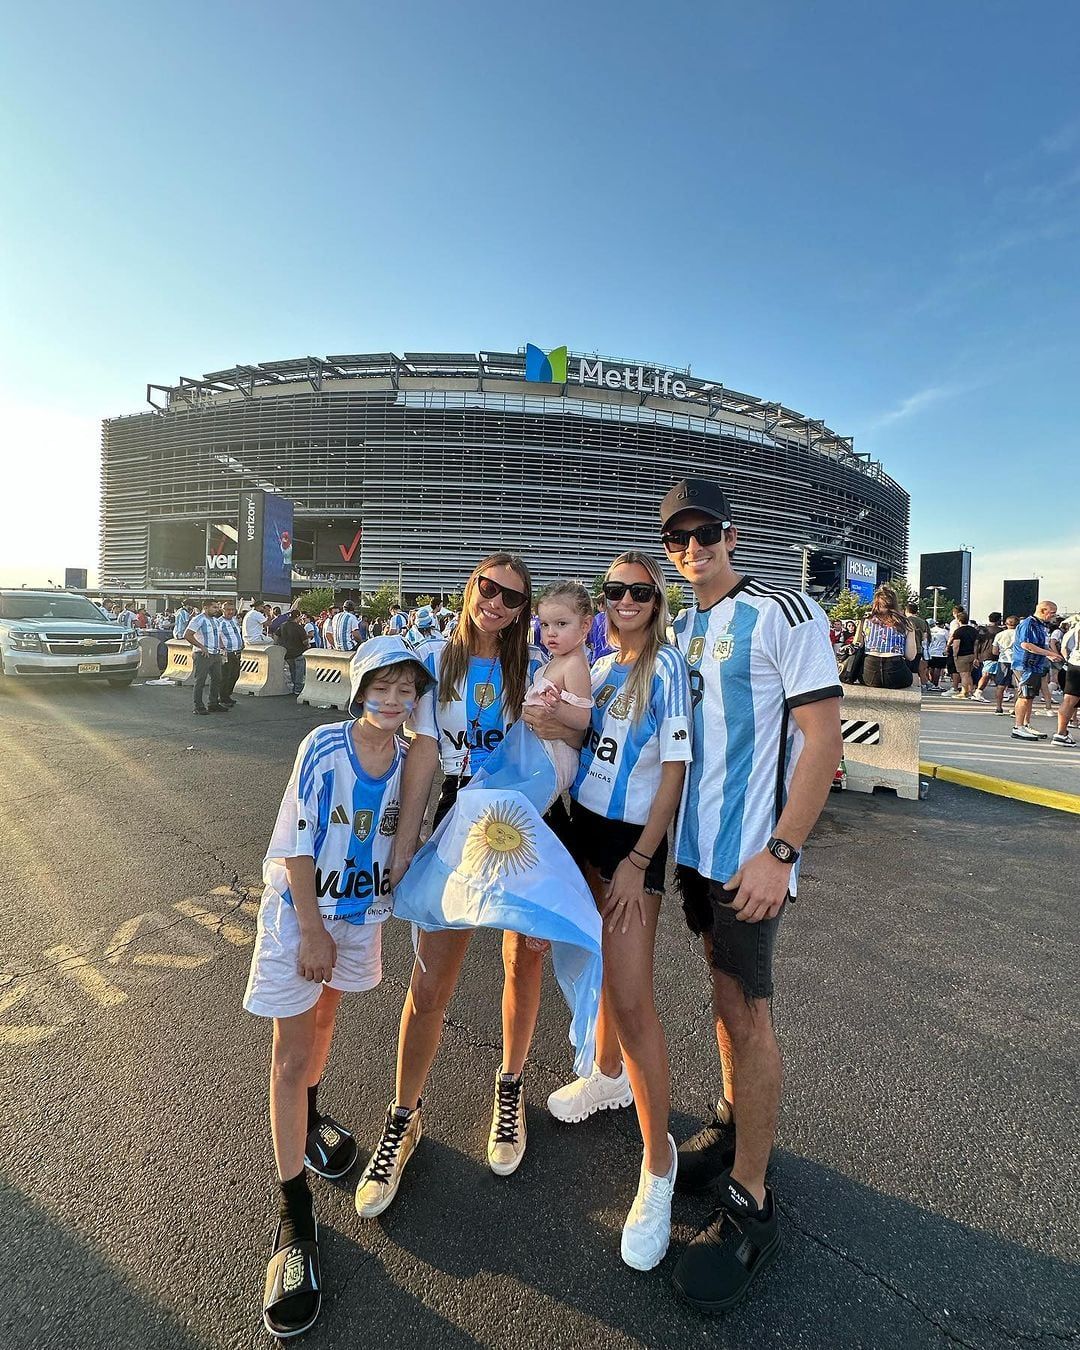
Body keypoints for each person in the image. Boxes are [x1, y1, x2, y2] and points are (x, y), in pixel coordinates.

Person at [657, 477, 842, 1312]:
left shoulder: (782, 613)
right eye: (679, 538)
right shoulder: (681, 626)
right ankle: (734, 1125)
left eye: (706, 534)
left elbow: (823, 741)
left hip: (747, 860)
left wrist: (781, 851)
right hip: (694, 856)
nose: (693, 548)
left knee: (749, 1011)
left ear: (732, 536)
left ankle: (753, 1202)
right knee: (723, 998)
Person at [355, 555, 573, 1216]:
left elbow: (562, 749)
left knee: (522, 965)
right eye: (489, 588)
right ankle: (404, 1116)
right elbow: (419, 749)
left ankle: (510, 1087)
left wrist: (555, 720)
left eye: (513, 597)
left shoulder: (533, 671)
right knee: (430, 985)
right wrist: (403, 842)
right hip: (450, 825)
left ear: (523, 610)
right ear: (471, 588)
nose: (498, 604)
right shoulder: (429, 661)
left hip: (512, 827)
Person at [244, 638, 433, 1339]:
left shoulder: (414, 757)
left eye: (405, 688)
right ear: (357, 690)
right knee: (291, 1055)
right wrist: (315, 928)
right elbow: (295, 841)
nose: (392, 700)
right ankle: (293, 1218)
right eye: (379, 687)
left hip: (359, 918)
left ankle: (314, 1117)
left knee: (324, 1024)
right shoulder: (325, 747)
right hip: (305, 915)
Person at [546, 558, 691, 1271]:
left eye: (640, 590)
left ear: (657, 599)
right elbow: (574, 739)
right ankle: (605, 1076)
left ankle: (658, 1165)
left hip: (633, 845)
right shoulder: (598, 668)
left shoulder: (667, 671)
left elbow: (673, 774)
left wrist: (640, 864)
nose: (626, 599)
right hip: (585, 830)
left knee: (634, 1000)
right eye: (615, 590)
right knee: (596, 963)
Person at [525, 582, 594, 801]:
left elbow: (583, 718)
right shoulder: (558, 659)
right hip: (542, 752)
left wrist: (557, 709)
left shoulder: (574, 664)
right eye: (544, 624)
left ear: (585, 625)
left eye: (561, 624)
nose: (550, 632)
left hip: (556, 756)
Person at [1011, 600, 1061, 742]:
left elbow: (1042, 644)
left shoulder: (1041, 625)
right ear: (1043, 610)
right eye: (1052, 612)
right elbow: (1026, 644)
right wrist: (1049, 654)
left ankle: (1026, 724)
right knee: (1024, 696)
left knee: (1030, 697)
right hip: (1025, 665)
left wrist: (1051, 654)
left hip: (1036, 665)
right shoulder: (1029, 624)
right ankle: (1018, 727)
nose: (1054, 616)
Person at [856, 586, 916, 689]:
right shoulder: (906, 623)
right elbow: (910, 656)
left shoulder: (867, 620)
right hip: (896, 673)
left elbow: (857, 644)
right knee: (909, 678)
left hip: (869, 673)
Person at [185, 599, 227, 715]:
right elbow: (187, 635)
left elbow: (217, 636)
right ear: (206, 608)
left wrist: (222, 647)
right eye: (214, 607)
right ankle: (198, 706)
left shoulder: (215, 621)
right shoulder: (198, 619)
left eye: (217, 607)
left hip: (215, 653)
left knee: (217, 679)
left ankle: (213, 703)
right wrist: (201, 646)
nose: (217, 610)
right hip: (202, 654)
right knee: (200, 680)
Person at [1052, 617, 1080, 747]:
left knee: (1069, 700)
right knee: (1070, 701)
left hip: (1074, 664)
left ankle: (1061, 733)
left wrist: (1067, 660)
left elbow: (1064, 648)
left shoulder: (1072, 630)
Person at [984, 615, 1019, 714]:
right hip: (1017, 661)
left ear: (1006, 624)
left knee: (1001, 685)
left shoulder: (1000, 634)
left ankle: (999, 707)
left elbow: (995, 651)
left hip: (1003, 660)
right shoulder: (1020, 634)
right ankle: (1016, 709)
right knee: (1017, 686)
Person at [945, 609, 979, 698]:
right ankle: (971, 691)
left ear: (959, 620)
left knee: (964, 674)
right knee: (968, 674)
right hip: (971, 654)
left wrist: (954, 655)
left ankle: (964, 692)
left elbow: (956, 645)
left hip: (961, 655)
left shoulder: (958, 631)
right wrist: (975, 656)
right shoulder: (974, 630)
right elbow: (976, 645)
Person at [277, 610, 309, 692]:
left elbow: (276, 635)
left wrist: (279, 644)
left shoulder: (283, 625)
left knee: (292, 670)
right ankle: (298, 688)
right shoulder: (299, 627)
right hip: (298, 652)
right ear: (298, 617)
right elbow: (305, 641)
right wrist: (308, 645)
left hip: (287, 652)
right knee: (299, 672)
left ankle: (294, 687)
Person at [219, 602, 243, 706]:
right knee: (226, 676)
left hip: (237, 652)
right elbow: (217, 635)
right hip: (227, 652)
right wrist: (222, 647)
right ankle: (223, 697)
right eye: (228, 610)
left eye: (232, 610)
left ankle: (228, 695)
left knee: (235, 675)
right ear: (223, 610)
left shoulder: (234, 620)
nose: (230, 612)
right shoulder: (219, 622)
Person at [906, 602, 931, 689]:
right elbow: (924, 637)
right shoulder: (923, 622)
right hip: (919, 648)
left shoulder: (906, 620)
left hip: (908, 648)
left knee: (907, 669)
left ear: (907, 610)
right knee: (915, 670)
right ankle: (916, 689)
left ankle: (909, 688)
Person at [926, 621, 949, 689]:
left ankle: (931, 683)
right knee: (938, 669)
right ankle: (935, 684)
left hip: (931, 651)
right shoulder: (944, 631)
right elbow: (948, 640)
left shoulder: (931, 630)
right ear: (942, 625)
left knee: (931, 668)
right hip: (940, 652)